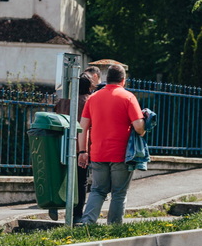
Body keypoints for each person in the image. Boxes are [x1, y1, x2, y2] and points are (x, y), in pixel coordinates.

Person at [77, 64, 145, 224]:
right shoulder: (128, 97)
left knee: (97, 190)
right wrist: (143, 126)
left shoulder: (93, 98)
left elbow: (83, 127)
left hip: (98, 153)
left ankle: (87, 223)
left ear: (107, 79)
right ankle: (114, 227)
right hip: (121, 154)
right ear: (123, 80)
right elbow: (138, 127)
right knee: (119, 193)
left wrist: (82, 151)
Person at [54, 72, 93, 223]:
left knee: (61, 178)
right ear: (89, 86)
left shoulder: (62, 102)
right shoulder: (89, 101)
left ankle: (56, 205)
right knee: (81, 181)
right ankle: (77, 214)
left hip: (62, 146)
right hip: (81, 148)